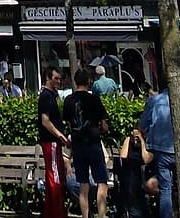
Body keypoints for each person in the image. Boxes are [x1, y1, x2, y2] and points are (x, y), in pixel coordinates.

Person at [63, 66, 110, 218]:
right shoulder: (94, 99)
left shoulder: (69, 100)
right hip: (94, 144)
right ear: (89, 81)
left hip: (78, 146)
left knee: (83, 185)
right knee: (102, 182)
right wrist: (103, 128)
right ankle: (101, 215)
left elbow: (69, 124)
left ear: (75, 81)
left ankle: (85, 216)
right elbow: (104, 125)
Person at [38, 62, 71, 218]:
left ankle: (51, 211)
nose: (59, 81)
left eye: (60, 79)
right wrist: (60, 135)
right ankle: (56, 212)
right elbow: (45, 120)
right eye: (56, 79)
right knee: (54, 176)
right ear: (48, 78)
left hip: (54, 141)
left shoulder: (52, 95)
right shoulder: (45, 96)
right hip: (50, 141)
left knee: (55, 175)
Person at [141, 85, 175, 218]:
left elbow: (142, 126)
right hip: (177, 148)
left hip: (161, 150)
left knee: (165, 189)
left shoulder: (155, 101)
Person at [116, 125, 152, 218]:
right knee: (129, 178)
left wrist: (142, 142)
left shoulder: (148, 142)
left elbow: (146, 159)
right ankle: (131, 211)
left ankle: (136, 211)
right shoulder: (129, 140)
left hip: (143, 172)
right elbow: (123, 158)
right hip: (129, 171)